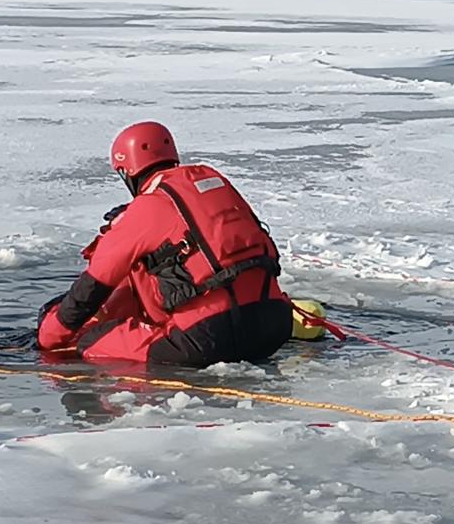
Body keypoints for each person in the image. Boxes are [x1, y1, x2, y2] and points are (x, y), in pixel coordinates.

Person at [36, 121, 292, 368]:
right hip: (275, 326)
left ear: (127, 172)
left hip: (208, 341)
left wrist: (48, 338)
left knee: (91, 339)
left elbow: (93, 286)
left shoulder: (146, 208)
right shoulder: (214, 183)